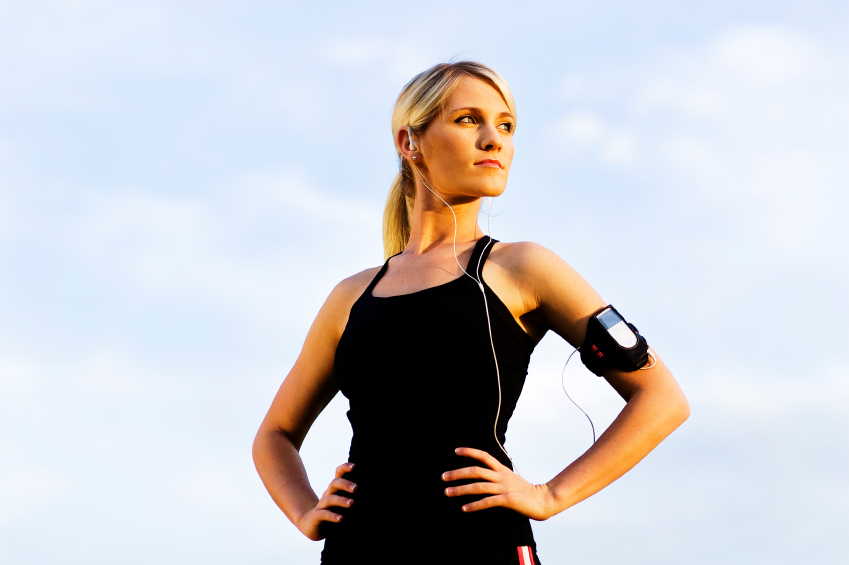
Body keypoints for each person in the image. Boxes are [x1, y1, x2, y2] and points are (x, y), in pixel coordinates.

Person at [252, 61, 690, 565]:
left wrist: (550, 495)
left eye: (505, 125)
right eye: (467, 120)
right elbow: (274, 435)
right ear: (409, 142)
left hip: (479, 545)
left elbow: (662, 398)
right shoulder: (350, 297)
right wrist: (306, 512)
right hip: (358, 549)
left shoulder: (524, 268)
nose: (494, 139)